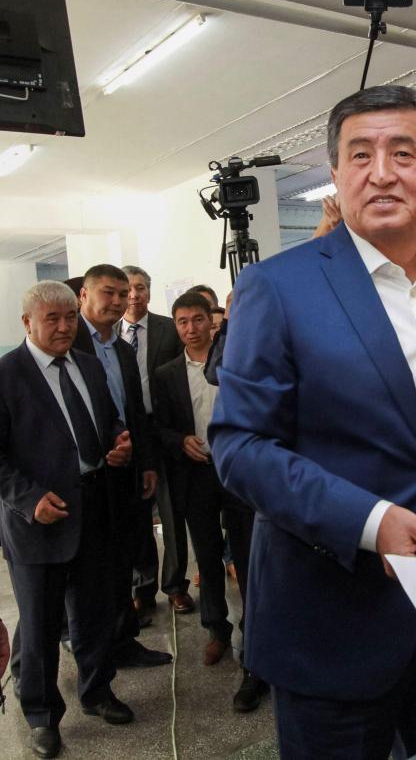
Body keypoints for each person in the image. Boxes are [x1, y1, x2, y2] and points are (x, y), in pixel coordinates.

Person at [208, 84, 416, 758]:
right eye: (359, 155)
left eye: (404, 151)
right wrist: (368, 522)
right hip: (331, 614)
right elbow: (240, 445)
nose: (383, 171)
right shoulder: (279, 287)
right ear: (336, 177)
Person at [1, 281, 137, 759]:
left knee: (96, 613)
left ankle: (97, 691)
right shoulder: (6, 374)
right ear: (27, 324)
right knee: (39, 626)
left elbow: (107, 421)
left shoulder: (86, 365)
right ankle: (41, 715)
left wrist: (118, 441)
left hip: (95, 509)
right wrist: (29, 498)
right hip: (39, 522)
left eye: (69, 318)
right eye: (52, 319)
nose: (64, 327)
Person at [152, 292, 266, 711]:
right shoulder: (165, 374)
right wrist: (180, 441)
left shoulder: (234, 364)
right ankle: (216, 629)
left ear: (210, 322)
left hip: (237, 473)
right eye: (181, 321)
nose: (190, 328)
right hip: (195, 474)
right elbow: (159, 427)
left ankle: (253, 639)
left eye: (197, 319)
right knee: (207, 556)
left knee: (249, 556)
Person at [73, 265, 172, 668]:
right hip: (84, 476)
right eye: (108, 293)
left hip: (126, 468)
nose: (118, 301)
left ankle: (123, 641)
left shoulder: (122, 348)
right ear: (84, 294)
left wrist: (146, 463)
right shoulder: (70, 341)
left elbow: (136, 413)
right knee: (86, 573)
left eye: (123, 294)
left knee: (123, 559)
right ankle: (91, 655)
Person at [119, 265, 193, 618]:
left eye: (140, 288)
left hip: (163, 429)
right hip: (125, 433)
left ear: (149, 292)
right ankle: (142, 587)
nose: (134, 295)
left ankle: (176, 586)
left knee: (171, 510)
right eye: (128, 289)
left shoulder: (169, 329)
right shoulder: (108, 335)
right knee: (135, 514)